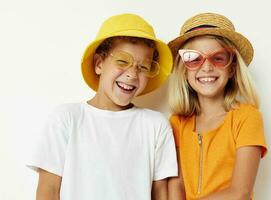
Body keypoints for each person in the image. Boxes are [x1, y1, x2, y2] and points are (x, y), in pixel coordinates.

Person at [27, 13, 177, 200]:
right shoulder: (66, 118)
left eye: (143, 67)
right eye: (122, 61)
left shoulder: (155, 125)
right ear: (99, 64)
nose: (132, 74)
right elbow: (48, 191)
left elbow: (160, 193)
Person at [167, 13, 268, 200]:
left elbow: (240, 193)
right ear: (183, 69)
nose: (206, 67)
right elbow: (176, 184)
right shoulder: (177, 122)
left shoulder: (247, 117)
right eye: (194, 58)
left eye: (218, 58)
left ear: (232, 68)